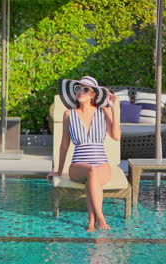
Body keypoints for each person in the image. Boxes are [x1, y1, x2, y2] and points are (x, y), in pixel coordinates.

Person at [48, 76, 121, 232]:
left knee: (92, 176)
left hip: (102, 164)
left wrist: (114, 109)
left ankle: (91, 222)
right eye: (78, 88)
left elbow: (116, 136)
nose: (81, 92)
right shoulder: (69, 114)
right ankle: (101, 216)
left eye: (85, 89)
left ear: (93, 94)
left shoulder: (104, 111)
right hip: (78, 165)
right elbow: (64, 144)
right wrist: (59, 171)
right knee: (91, 171)